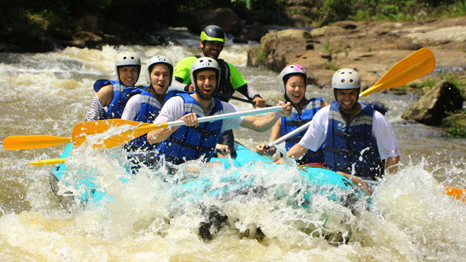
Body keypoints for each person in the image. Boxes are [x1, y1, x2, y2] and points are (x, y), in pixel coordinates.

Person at [146, 57, 291, 168]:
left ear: (217, 82)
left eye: (211, 78)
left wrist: (278, 114)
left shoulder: (224, 109)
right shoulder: (177, 104)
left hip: (197, 171)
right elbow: (152, 137)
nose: (207, 83)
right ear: (194, 81)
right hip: (169, 169)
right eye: (202, 78)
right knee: (214, 167)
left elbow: (258, 124)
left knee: (217, 167)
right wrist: (179, 123)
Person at [282, 68, 400, 187]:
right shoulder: (324, 115)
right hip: (333, 180)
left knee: (342, 176)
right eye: (342, 93)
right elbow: (303, 147)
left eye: (352, 93)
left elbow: (393, 156)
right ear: (335, 93)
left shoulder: (376, 119)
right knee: (337, 176)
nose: (347, 98)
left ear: (357, 92)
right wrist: (281, 163)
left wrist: (387, 187)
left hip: (366, 183)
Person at [172, 25, 267, 158]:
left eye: (219, 44)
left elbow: (245, 87)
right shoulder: (188, 62)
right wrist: (186, 87)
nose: (216, 48)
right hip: (191, 121)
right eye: (212, 44)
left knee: (228, 156)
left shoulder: (227, 68)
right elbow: (170, 83)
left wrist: (256, 97)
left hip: (220, 121)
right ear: (201, 43)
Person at [256, 64, 329, 164]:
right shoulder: (280, 114)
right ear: (284, 86)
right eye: (293, 85)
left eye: (301, 85)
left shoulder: (320, 106)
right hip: (293, 164)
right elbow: (273, 149)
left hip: (319, 163)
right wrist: (265, 149)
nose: (297, 89)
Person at [121, 55, 177, 152]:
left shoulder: (173, 103)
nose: (161, 78)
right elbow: (121, 134)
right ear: (149, 77)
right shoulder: (137, 101)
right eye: (157, 74)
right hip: (133, 156)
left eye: (165, 75)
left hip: (158, 158)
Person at [85, 50, 141, 121]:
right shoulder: (107, 91)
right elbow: (89, 119)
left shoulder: (140, 94)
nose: (129, 75)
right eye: (124, 70)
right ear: (118, 71)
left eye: (133, 70)